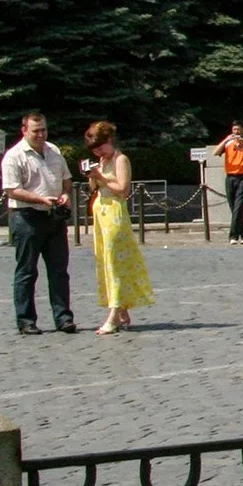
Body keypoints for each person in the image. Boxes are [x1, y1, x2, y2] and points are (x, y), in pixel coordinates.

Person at [2, 112, 76, 334]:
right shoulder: (14, 156)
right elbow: (12, 190)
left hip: (54, 217)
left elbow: (67, 179)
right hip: (27, 218)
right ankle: (26, 321)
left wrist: (65, 194)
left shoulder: (54, 150)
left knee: (59, 271)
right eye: (36, 131)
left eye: (44, 129)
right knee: (26, 272)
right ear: (24, 131)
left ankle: (63, 318)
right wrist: (40, 199)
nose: (41, 134)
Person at [79, 122, 152, 335]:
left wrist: (101, 177)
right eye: (94, 150)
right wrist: (92, 175)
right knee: (105, 261)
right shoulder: (102, 161)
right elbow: (94, 187)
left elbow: (123, 189)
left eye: (100, 147)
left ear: (109, 140)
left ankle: (114, 313)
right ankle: (121, 310)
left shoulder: (121, 159)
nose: (98, 152)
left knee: (115, 262)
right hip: (101, 211)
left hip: (114, 212)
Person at [217, 122, 243, 243]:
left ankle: (233, 235)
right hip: (230, 177)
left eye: (238, 129)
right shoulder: (228, 142)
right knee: (234, 207)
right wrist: (226, 140)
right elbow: (216, 152)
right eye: (234, 129)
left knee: (239, 206)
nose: (236, 132)